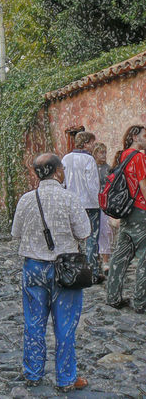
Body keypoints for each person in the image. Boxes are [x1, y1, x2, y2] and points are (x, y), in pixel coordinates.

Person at [11, 153, 90, 392]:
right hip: (65, 270)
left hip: (34, 267)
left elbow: (16, 232)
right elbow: (84, 232)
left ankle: (33, 373)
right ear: (57, 171)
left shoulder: (26, 200)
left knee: (34, 322)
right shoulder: (69, 198)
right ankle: (66, 378)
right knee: (65, 325)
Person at [106, 125, 146, 313]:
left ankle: (113, 297)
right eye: (144, 136)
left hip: (127, 211)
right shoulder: (139, 157)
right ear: (135, 137)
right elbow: (143, 186)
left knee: (120, 256)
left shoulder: (122, 156)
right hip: (141, 211)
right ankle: (140, 302)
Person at [62, 131, 104, 283]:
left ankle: (74, 269)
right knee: (91, 238)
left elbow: (63, 182)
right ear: (85, 143)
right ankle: (92, 273)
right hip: (89, 204)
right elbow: (92, 184)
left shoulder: (66, 158)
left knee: (74, 237)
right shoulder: (88, 159)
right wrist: (98, 202)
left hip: (72, 203)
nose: (93, 145)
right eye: (92, 142)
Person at [92, 142, 113, 271]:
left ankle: (105, 260)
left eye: (105, 152)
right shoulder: (91, 167)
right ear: (95, 153)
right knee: (94, 232)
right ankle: (96, 258)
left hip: (104, 204)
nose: (104, 155)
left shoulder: (108, 169)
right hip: (93, 203)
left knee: (105, 230)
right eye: (101, 152)